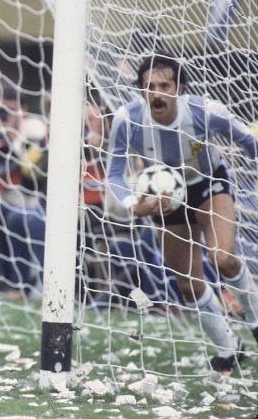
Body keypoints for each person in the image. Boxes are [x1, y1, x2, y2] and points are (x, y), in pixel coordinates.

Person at [107, 53, 258, 372]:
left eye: (164, 85)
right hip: (165, 199)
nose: (157, 93)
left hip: (207, 185)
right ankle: (228, 347)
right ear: (141, 91)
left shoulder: (205, 112)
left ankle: (256, 319)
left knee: (223, 258)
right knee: (188, 282)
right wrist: (136, 204)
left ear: (179, 88)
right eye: (149, 87)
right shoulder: (127, 119)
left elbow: (247, 140)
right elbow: (115, 174)